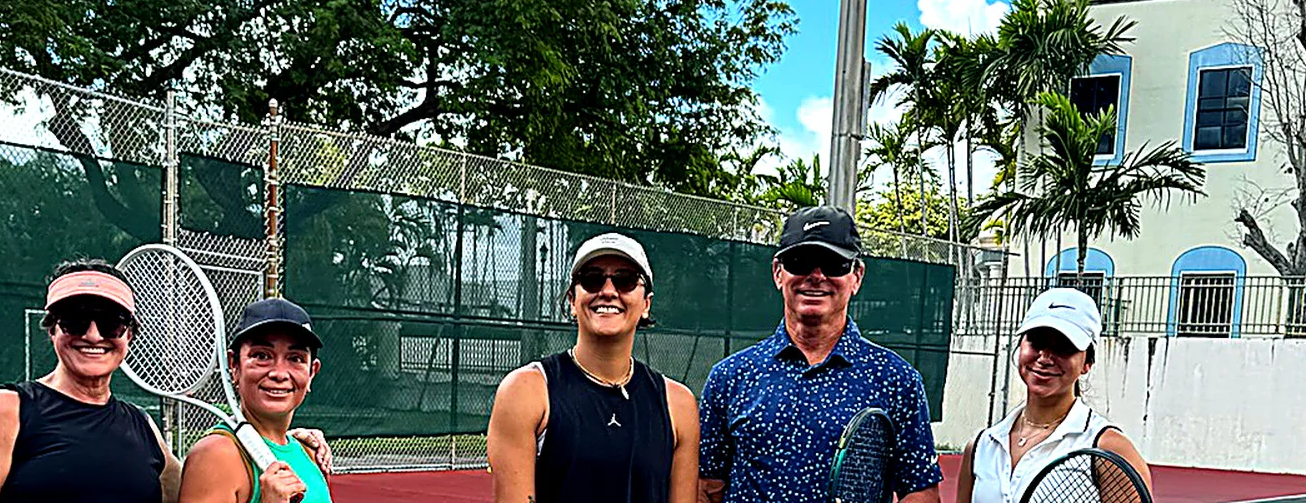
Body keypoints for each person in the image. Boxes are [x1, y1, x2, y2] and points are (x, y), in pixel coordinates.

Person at [697, 206, 942, 503]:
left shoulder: (897, 380)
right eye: (800, 262)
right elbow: (708, 488)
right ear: (778, 272)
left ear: (857, 276)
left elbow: (921, 492)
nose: (816, 276)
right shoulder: (729, 377)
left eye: (834, 264)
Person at [487, 232, 701, 503]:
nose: (608, 291)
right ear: (572, 301)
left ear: (646, 303)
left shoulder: (678, 404)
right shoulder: (526, 391)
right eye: (592, 279)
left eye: (625, 280)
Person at [0, 259, 181, 503]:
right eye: (75, 320)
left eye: (111, 323)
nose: (93, 335)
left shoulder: (142, 425)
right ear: (52, 330)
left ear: (129, 335)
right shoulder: (8, 409)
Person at [957, 287, 1152, 503]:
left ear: (1087, 363)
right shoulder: (981, 446)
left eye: (1064, 347)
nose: (1045, 357)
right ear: (1021, 346)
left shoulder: (1109, 448)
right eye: (1037, 341)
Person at [178, 297, 333, 503]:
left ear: (311, 372)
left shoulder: (309, 453)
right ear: (234, 365)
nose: (279, 373)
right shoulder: (216, 456)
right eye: (262, 356)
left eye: (295, 358)